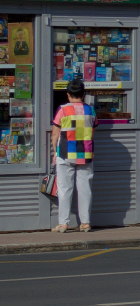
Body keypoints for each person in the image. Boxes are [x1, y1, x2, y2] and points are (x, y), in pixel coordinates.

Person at [50, 78, 94, 233]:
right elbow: (93, 129)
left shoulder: (62, 110)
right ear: (83, 94)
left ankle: (63, 223)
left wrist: (54, 153)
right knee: (85, 189)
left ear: (68, 94)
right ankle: (86, 223)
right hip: (85, 152)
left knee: (64, 189)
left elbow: (55, 134)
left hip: (66, 152)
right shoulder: (90, 110)